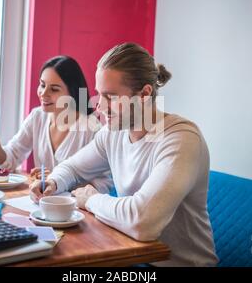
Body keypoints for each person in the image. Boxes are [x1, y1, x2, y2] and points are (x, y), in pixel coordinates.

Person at [30, 43, 218, 266]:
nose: (99, 106)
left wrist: (90, 200)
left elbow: (142, 222)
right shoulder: (114, 132)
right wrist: (52, 182)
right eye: (99, 95)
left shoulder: (181, 140)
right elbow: (71, 168)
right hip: (133, 259)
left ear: (144, 94)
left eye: (110, 97)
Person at [0, 55, 113, 194]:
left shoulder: (92, 128)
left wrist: (58, 181)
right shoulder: (37, 117)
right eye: (42, 85)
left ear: (73, 92)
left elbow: (104, 184)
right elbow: (11, 157)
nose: (43, 93)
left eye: (54, 89)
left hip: (74, 210)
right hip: (40, 203)